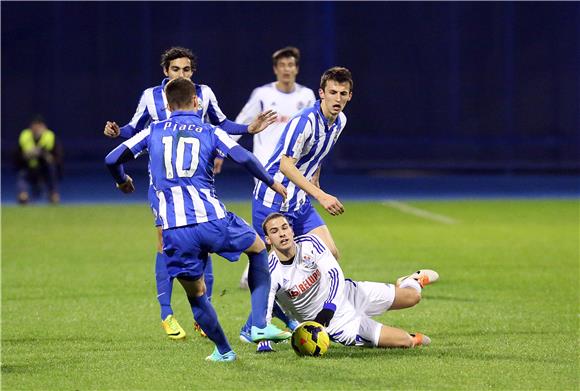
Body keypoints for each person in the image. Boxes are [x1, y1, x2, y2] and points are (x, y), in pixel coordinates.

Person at [104, 78, 291, 362]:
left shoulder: (152, 131)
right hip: (213, 219)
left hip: (174, 230)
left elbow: (111, 158)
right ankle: (258, 324)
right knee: (257, 249)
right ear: (196, 102)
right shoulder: (209, 130)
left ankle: (224, 350)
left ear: (167, 105)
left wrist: (123, 180)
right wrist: (271, 181)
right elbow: (245, 158)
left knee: (196, 296)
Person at [239, 66, 354, 348]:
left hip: (299, 200)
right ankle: (255, 328)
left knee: (331, 254)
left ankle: (303, 319)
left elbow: (316, 159)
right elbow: (285, 164)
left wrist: (315, 184)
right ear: (321, 94)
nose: (337, 98)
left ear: (350, 96)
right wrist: (322, 195)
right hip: (273, 197)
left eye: (343, 93)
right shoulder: (305, 121)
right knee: (267, 270)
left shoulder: (340, 122)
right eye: (332, 93)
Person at [261, 213, 437, 350]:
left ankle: (411, 280)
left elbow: (335, 274)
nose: (282, 234)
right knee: (405, 341)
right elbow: (264, 309)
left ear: (292, 230)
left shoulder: (310, 243)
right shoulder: (269, 271)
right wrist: (263, 343)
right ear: (268, 240)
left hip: (348, 294)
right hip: (336, 325)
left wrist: (329, 307)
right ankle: (413, 338)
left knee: (413, 297)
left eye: (285, 228)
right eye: (274, 231)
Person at [234, 46, 315, 289]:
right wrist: (223, 150)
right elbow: (243, 120)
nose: (287, 69)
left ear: (296, 69)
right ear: (275, 69)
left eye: (291, 65)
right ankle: (255, 268)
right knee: (268, 217)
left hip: (293, 169)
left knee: (287, 217)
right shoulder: (262, 94)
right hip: (265, 169)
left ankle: (278, 268)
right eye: (282, 65)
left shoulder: (308, 96)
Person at [15, 116, 62, 204]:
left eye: (39, 126)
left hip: (44, 168)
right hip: (29, 167)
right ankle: (23, 195)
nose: (37, 129)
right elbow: (17, 156)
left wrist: (44, 154)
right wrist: (27, 155)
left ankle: (53, 194)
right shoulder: (25, 136)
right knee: (22, 173)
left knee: (51, 169)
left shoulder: (50, 136)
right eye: (34, 126)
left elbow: (57, 157)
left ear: (44, 127)